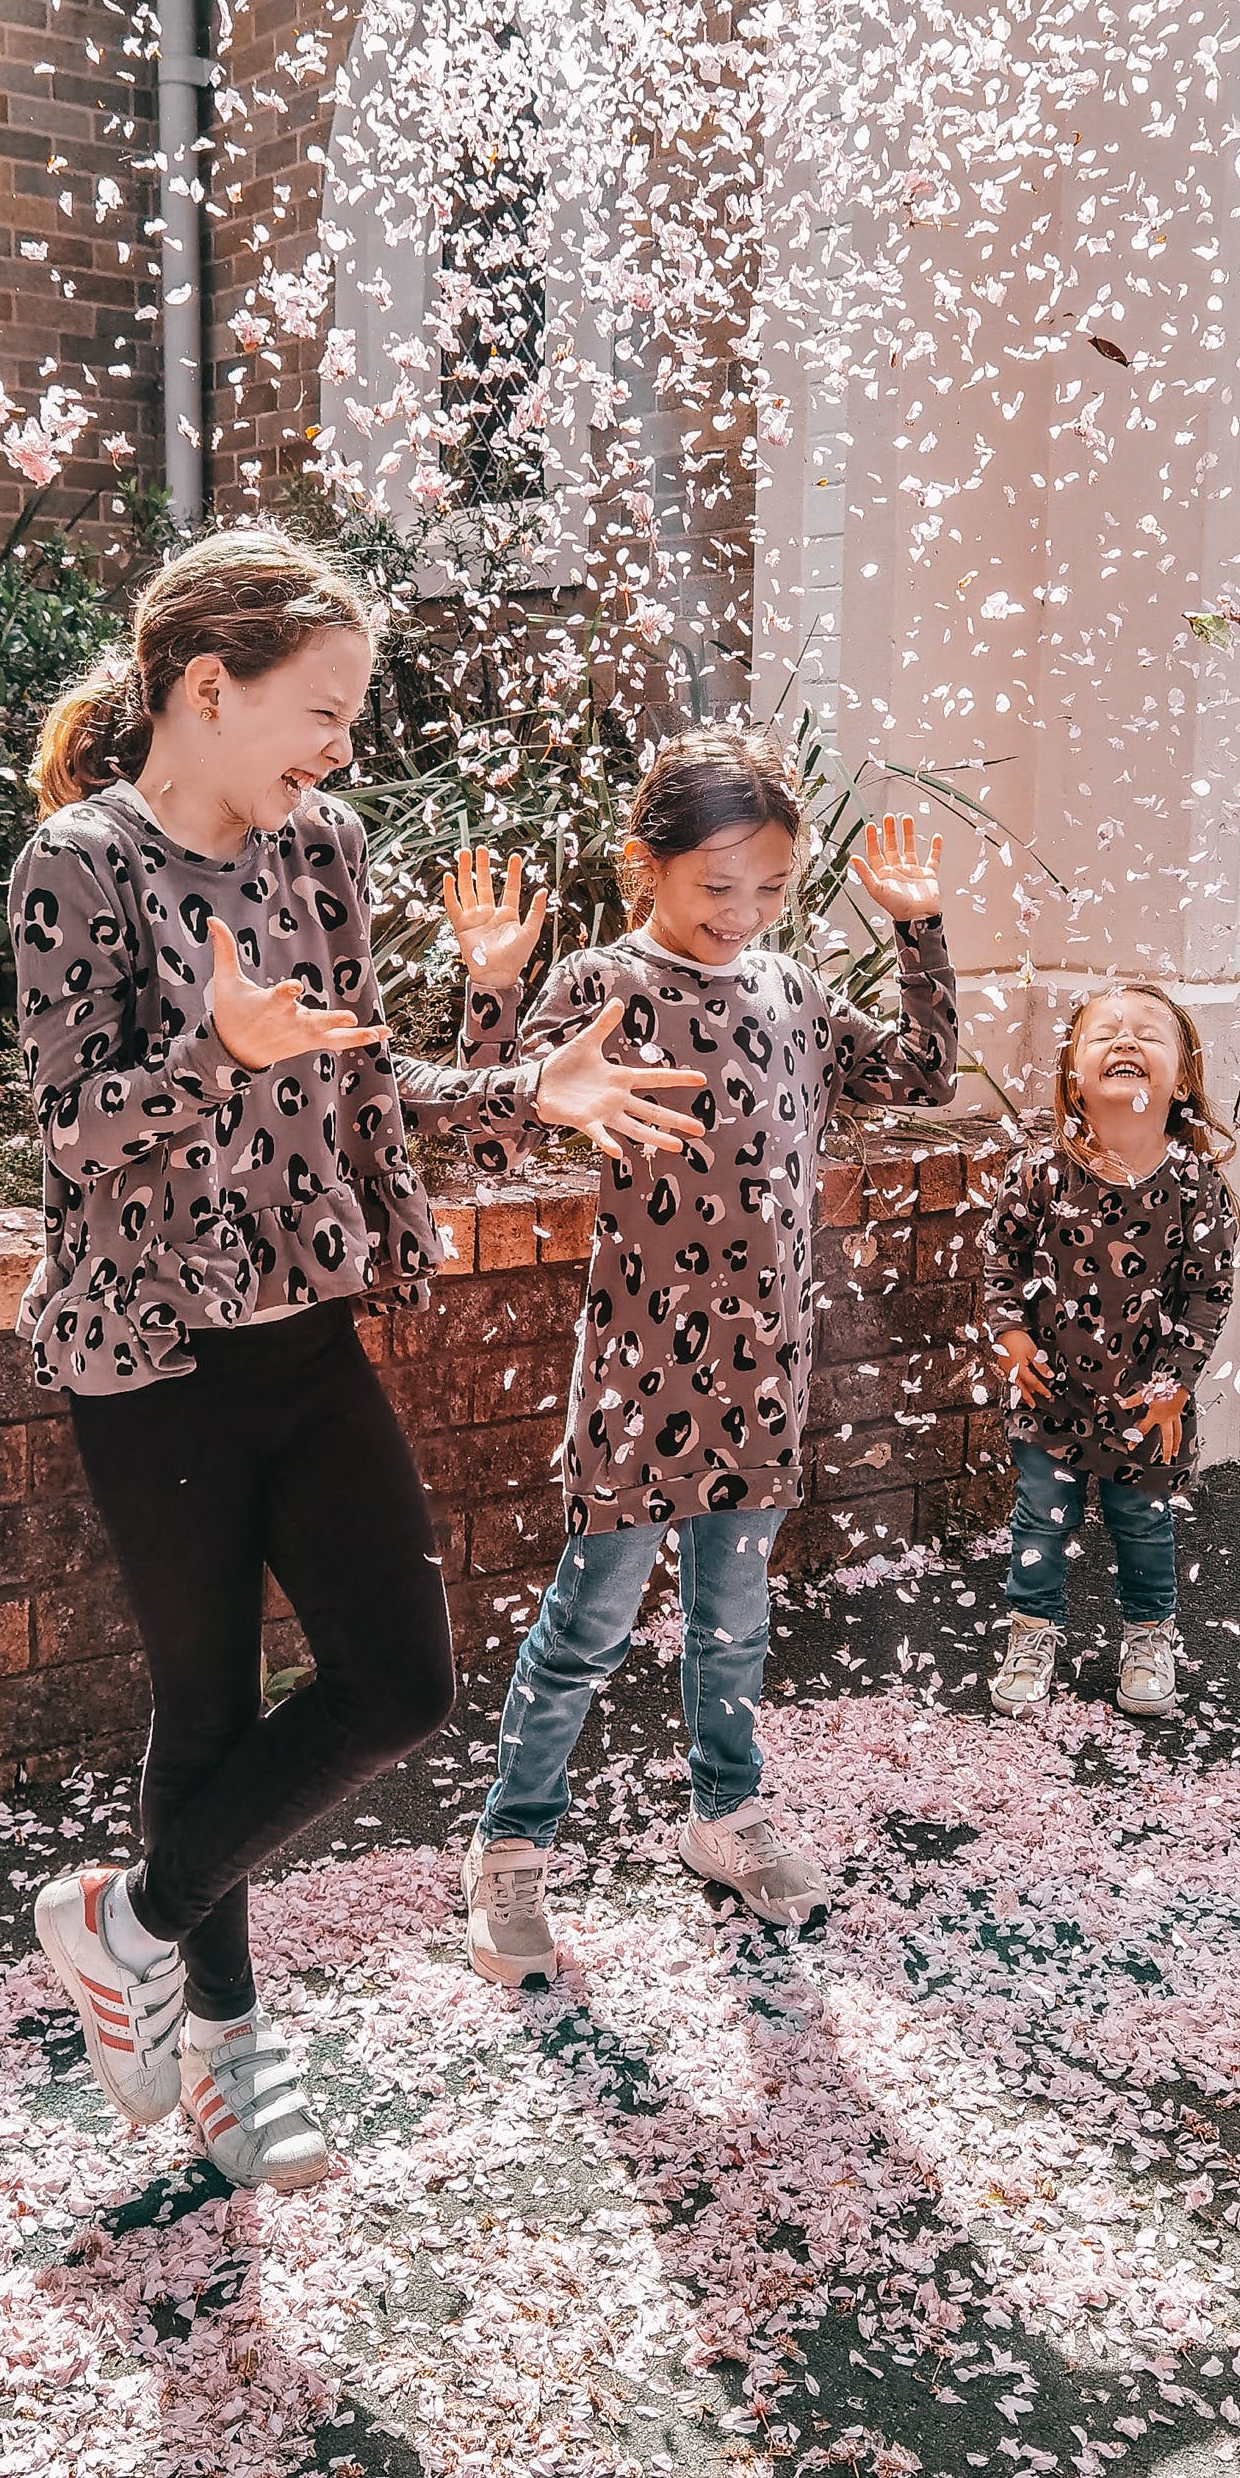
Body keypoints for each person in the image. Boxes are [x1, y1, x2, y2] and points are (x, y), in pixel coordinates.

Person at [12, 528, 707, 2190]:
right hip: (149, 1360)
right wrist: (207, 1054)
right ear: (207, 688)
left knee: (401, 1683)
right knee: (208, 1715)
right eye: (320, 710)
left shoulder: (317, 848)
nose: (341, 748)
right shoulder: (78, 862)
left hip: (309, 1339)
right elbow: (65, 1131)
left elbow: (360, 1080)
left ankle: (126, 1923)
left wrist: (517, 1086)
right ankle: (220, 2066)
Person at [445, 725, 962, 1986]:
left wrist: (919, 935)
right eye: (714, 887)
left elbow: (920, 1075)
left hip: (763, 1365)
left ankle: (723, 1820)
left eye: (770, 891)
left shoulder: (787, 990)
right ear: (646, 868)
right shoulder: (604, 983)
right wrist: (494, 987)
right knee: (587, 1624)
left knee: (732, 1625)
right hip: (636, 1367)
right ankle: (509, 1853)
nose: (742, 915)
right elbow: (483, 1145)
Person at [981, 981, 1240, 1723]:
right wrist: (1010, 1334)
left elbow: (1207, 1292)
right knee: (1039, 1520)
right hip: (1049, 1394)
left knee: (1142, 1523)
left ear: (1181, 1078)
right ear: (1072, 1073)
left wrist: (1175, 1384)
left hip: (1146, 1400)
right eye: (1105, 1034)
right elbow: (999, 1259)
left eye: (1148, 1034)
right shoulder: (1038, 1170)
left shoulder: (1194, 1184)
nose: (1125, 1042)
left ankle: (1148, 1634)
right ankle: (1032, 1634)